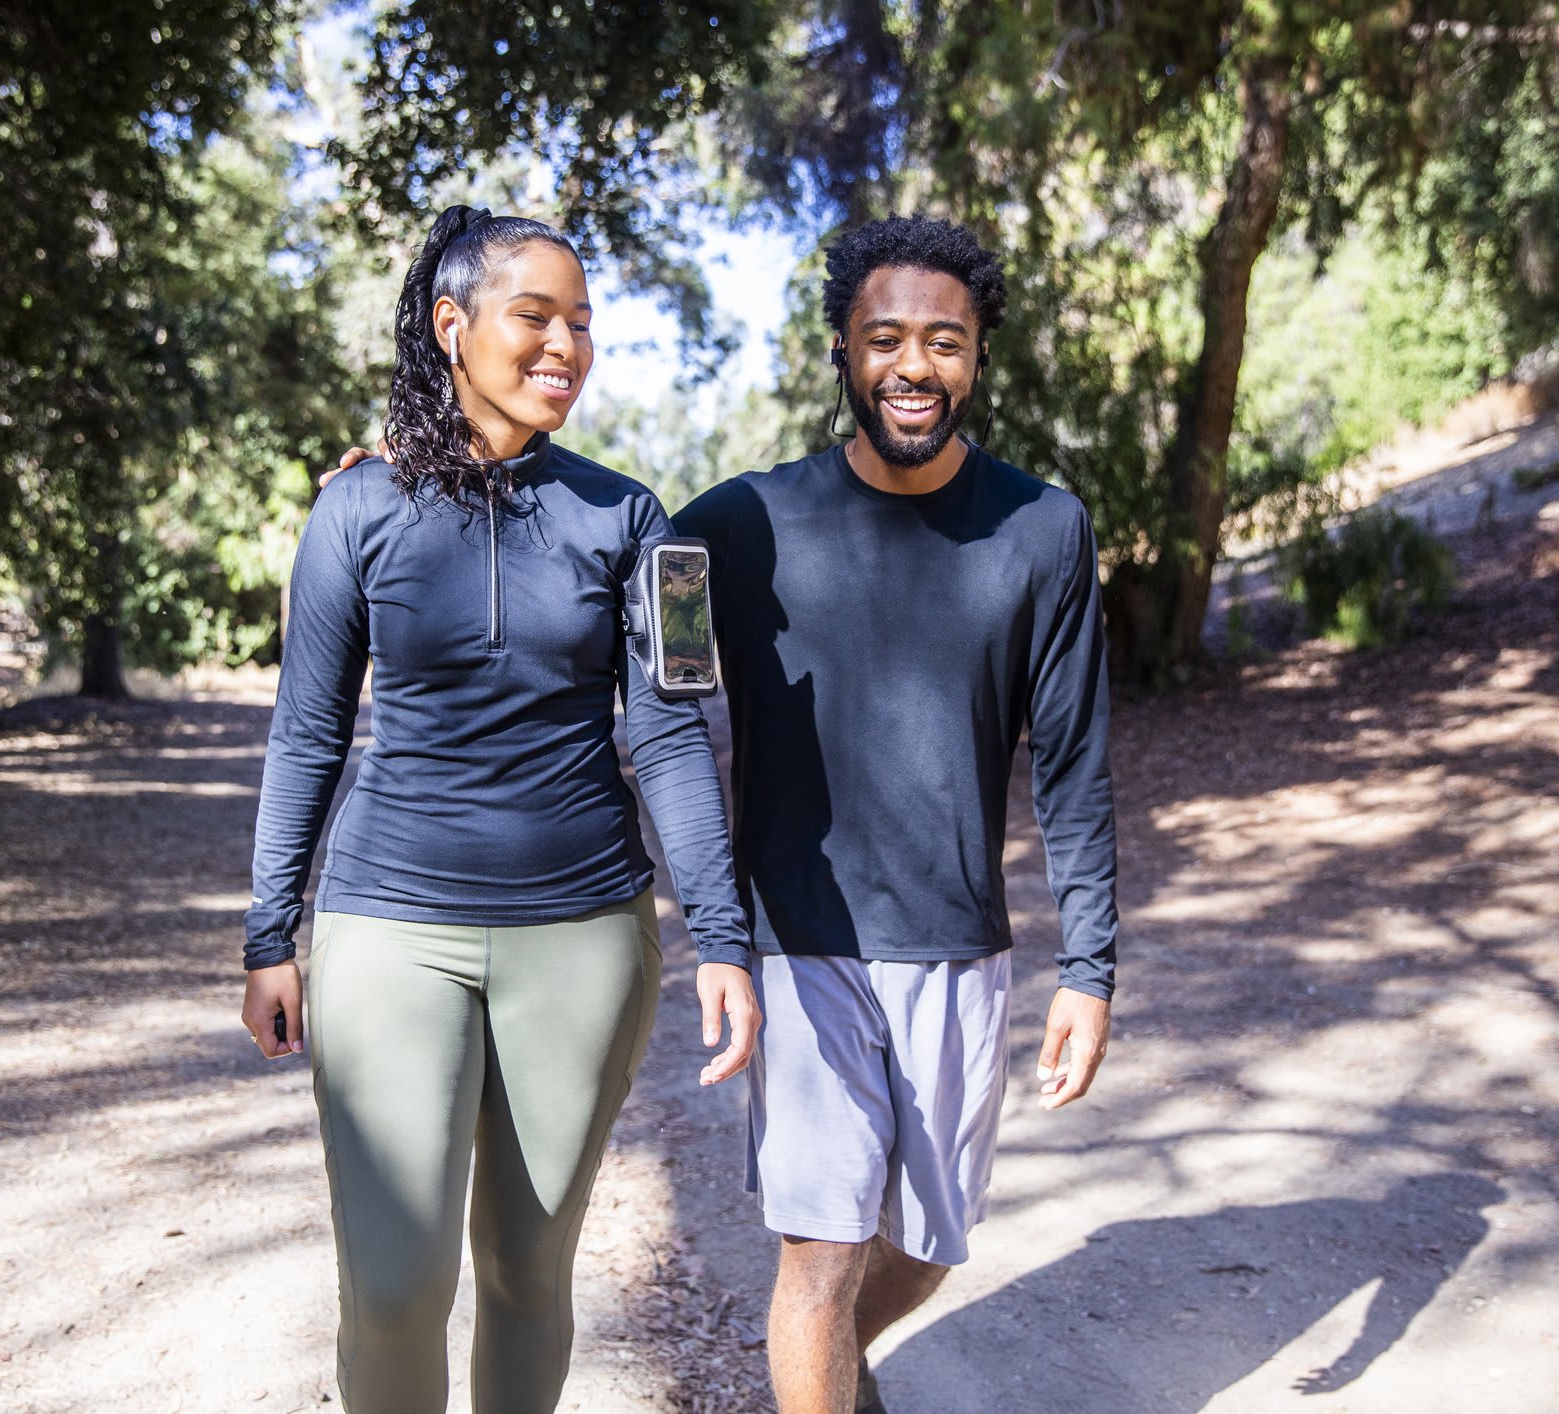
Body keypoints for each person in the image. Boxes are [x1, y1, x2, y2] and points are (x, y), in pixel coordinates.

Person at [242, 204, 761, 1414]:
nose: (565, 346)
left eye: (583, 323)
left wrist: (722, 939)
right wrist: (272, 932)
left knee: (528, 1270)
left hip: (581, 941)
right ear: (451, 324)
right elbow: (309, 729)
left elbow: (674, 731)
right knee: (391, 1283)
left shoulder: (643, 522)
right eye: (536, 316)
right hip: (387, 933)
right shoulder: (351, 513)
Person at [670, 216, 1119, 1414]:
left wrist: (1092, 966)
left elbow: (1071, 758)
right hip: (797, 934)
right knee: (815, 1254)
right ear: (841, 353)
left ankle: (832, 1374)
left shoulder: (1044, 528)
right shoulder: (731, 525)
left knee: (926, 1243)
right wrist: (421, 473)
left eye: (944, 341)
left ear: (977, 359)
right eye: (885, 339)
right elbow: (604, 578)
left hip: (958, 941)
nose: (913, 365)